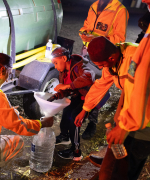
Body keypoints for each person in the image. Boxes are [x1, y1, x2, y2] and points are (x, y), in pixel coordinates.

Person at [0, 52, 53, 179]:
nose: (8, 78)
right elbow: (21, 127)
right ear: (3, 70)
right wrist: (42, 123)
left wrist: (6, 112)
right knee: (17, 142)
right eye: (9, 72)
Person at [98, 1, 150, 179]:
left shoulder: (129, 57)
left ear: (112, 57)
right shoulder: (143, 42)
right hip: (133, 124)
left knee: (119, 173)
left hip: (141, 130)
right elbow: (129, 91)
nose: (143, 1)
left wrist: (123, 126)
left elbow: (142, 88)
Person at [74, 36, 138, 165]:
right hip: (131, 99)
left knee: (135, 145)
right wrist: (85, 109)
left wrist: (124, 124)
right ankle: (112, 160)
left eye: (102, 65)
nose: (102, 68)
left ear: (111, 58)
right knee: (117, 131)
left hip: (142, 106)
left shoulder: (134, 58)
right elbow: (101, 85)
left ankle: (122, 165)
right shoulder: (113, 62)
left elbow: (139, 92)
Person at [79, 0, 129, 136]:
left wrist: (97, 38)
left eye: (102, 66)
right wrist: (84, 34)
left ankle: (92, 123)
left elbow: (119, 38)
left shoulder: (120, 10)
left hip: (105, 52)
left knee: (94, 83)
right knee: (91, 84)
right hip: (93, 52)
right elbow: (86, 26)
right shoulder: (94, 6)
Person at [50, 47, 98, 160]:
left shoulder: (79, 66)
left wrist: (68, 86)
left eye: (56, 63)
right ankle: (65, 136)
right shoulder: (62, 72)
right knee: (66, 112)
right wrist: (57, 95)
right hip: (77, 96)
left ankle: (76, 151)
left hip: (88, 98)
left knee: (74, 119)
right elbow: (67, 89)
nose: (55, 67)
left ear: (64, 58)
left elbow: (89, 76)